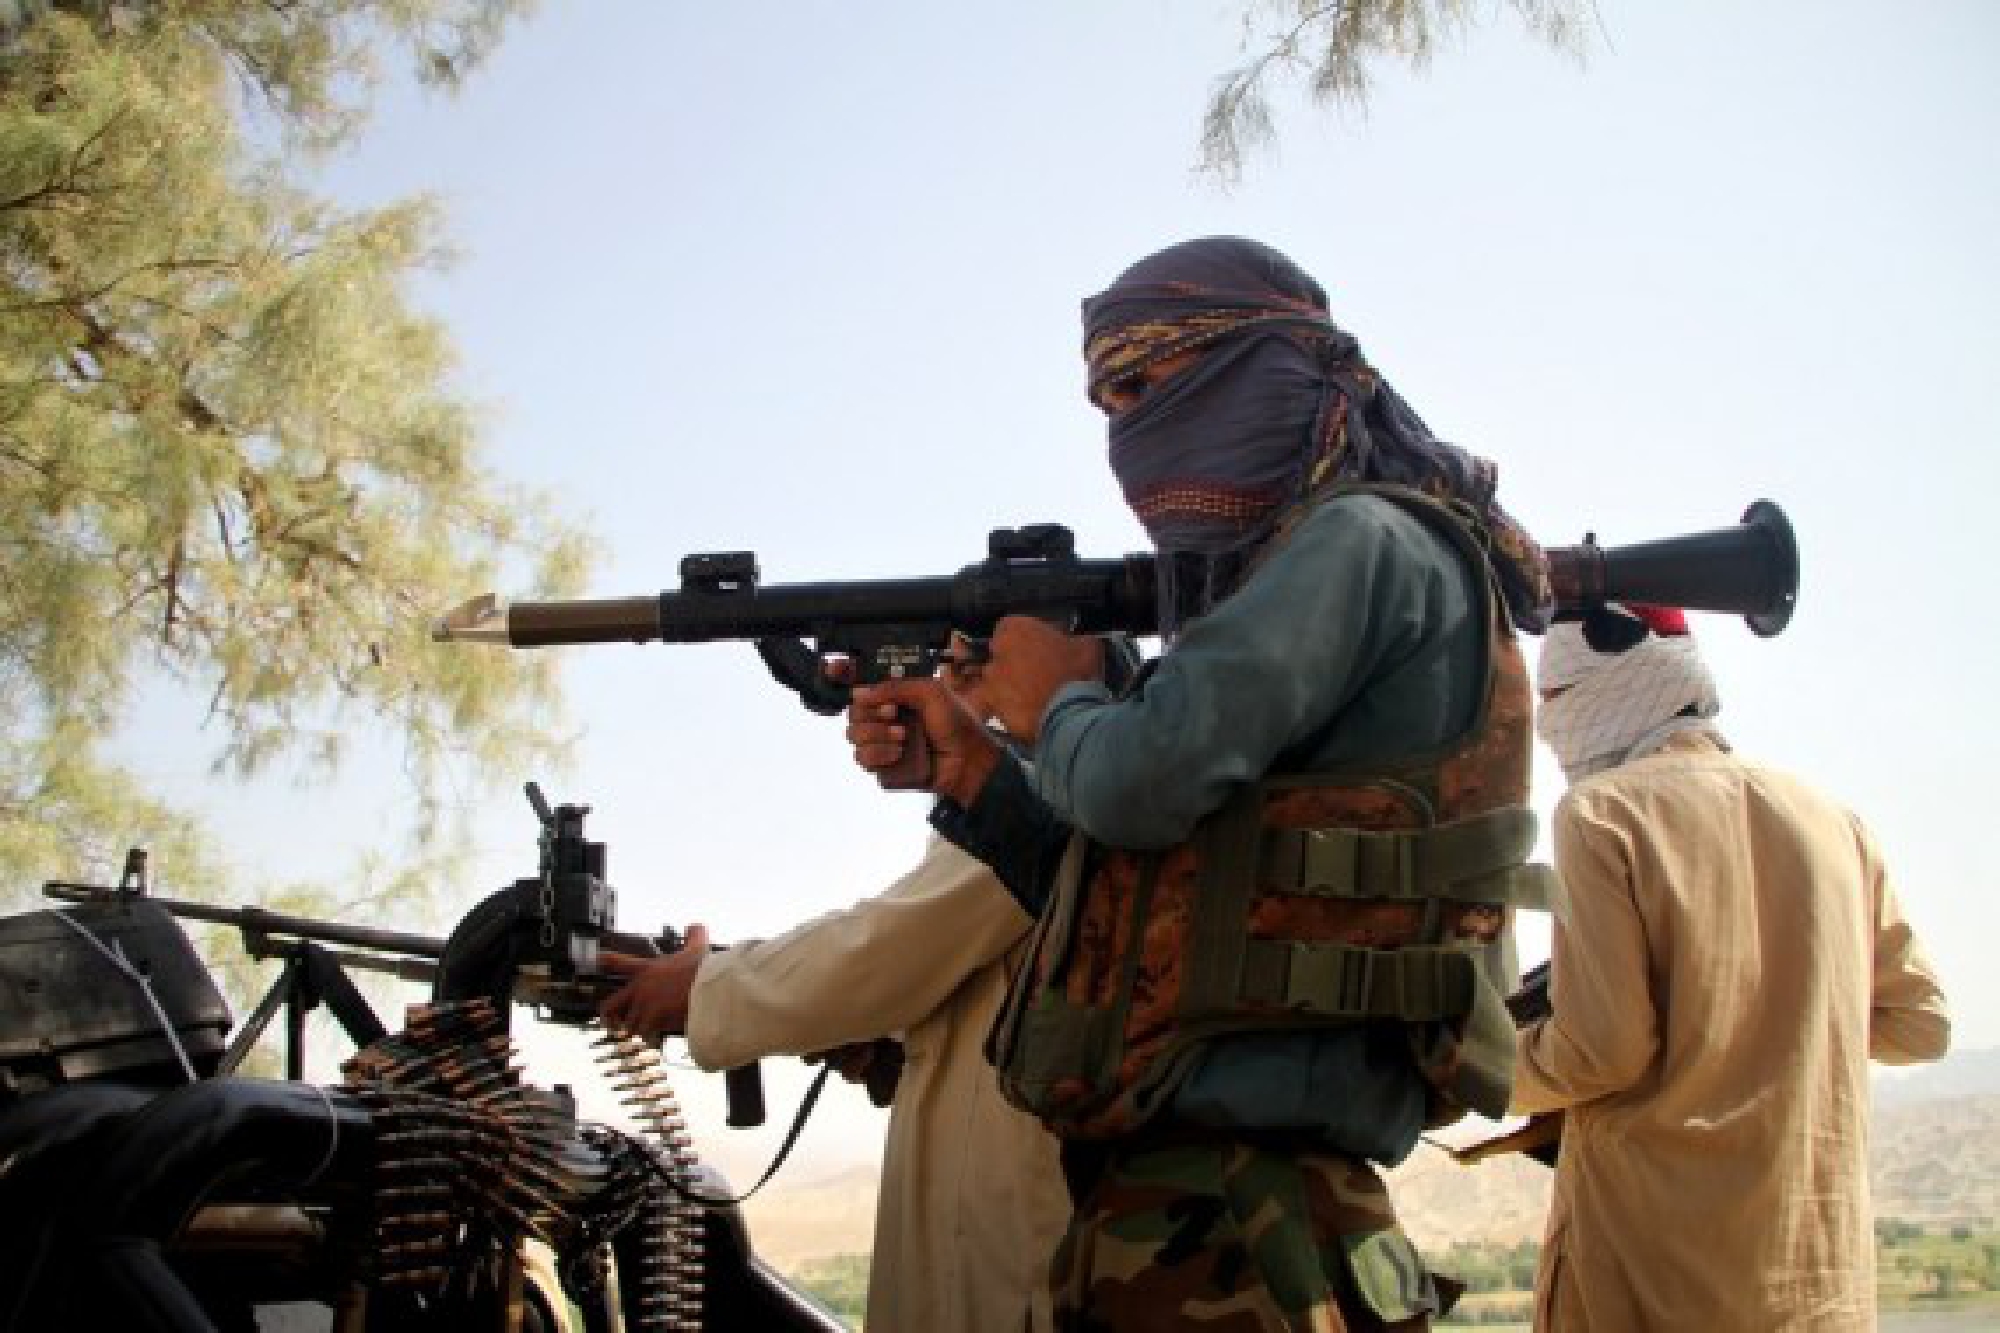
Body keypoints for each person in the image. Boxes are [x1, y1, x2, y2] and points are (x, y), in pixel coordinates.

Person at [845, 236, 1556, 1332]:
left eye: (1144, 381)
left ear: (1267, 367)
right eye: (1106, 402)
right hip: (1209, 1224)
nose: (1128, 432)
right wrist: (981, 770)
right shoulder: (1306, 575)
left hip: (1244, 1228)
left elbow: (1135, 784)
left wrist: (1057, 698)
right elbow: (1149, 904)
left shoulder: (1356, 544)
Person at [596, 647, 1085, 1333]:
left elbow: (879, 953)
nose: (945, 696)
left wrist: (705, 986)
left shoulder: (1053, 797)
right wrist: (890, 1048)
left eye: (971, 673)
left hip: (1010, 1273)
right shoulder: (1025, 807)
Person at [1512, 603, 1952, 1332]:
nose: (1549, 724)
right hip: (1815, 1289)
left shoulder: (1600, 815)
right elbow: (1921, 1025)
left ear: (1609, 682)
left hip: (1648, 1279)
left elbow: (1602, 1050)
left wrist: (1484, 1067)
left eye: (1556, 699)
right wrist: (1782, 1016)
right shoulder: (1833, 819)